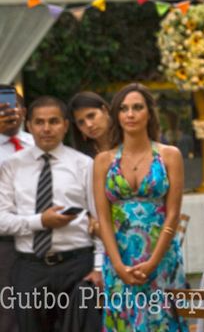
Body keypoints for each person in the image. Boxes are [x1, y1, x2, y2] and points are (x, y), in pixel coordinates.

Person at [0, 96, 103, 331]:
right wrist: (40, 221)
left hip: (77, 266)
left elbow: (99, 219)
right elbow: (1, 220)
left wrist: (98, 267)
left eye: (54, 121)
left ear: (66, 125)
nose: (46, 128)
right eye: (39, 122)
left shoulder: (84, 164)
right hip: (30, 267)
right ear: (29, 125)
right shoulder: (12, 166)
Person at [93, 83, 188, 331]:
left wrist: (153, 262)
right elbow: (102, 218)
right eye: (124, 109)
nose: (130, 114)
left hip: (162, 257)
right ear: (116, 115)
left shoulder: (170, 155)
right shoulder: (103, 160)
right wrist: (117, 266)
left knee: (163, 323)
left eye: (137, 107)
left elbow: (174, 214)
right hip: (119, 258)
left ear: (149, 112)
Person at [0, 89, 33, 332]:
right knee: (9, 312)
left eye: (12, 107)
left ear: (23, 111)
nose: (9, 113)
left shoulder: (38, 143)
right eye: (1, 108)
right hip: (6, 243)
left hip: (44, 239)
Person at [68, 91, 111, 158]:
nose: (88, 125)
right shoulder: (80, 158)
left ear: (104, 110)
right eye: (81, 122)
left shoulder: (129, 140)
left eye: (91, 116)